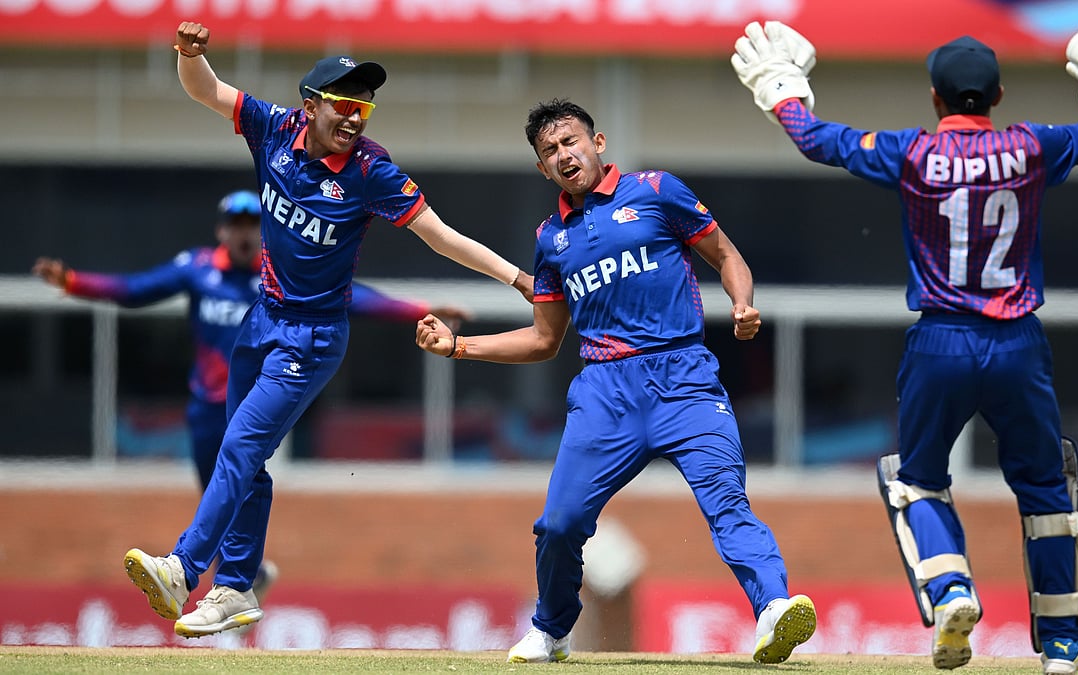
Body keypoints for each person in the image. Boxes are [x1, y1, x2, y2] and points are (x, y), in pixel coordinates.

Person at [730, 17, 1078, 675]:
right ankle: (1061, 647)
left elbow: (816, 141)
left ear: (934, 98)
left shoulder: (911, 152)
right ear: (1000, 95)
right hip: (1018, 343)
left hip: (939, 342)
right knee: (1045, 486)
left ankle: (951, 590)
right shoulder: (1032, 146)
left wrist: (783, 88)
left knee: (918, 480)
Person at [121, 21, 533, 639]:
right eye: (344, 104)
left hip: (310, 339)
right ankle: (234, 589)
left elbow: (441, 236)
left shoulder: (373, 172)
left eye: (364, 106)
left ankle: (183, 568)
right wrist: (187, 54)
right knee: (248, 457)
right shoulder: (275, 128)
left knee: (238, 447)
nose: (356, 116)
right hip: (261, 320)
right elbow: (207, 91)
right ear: (309, 105)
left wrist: (517, 278)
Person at [414, 98, 817, 665]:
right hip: (606, 393)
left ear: (597, 143)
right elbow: (543, 340)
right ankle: (552, 630)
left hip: (686, 382)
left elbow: (726, 254)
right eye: (550, 151)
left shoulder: (657, 191)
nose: (564, 155)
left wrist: (743, 303)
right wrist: (459, 346)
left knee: (728, 503)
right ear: (542, 169)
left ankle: (773, 608)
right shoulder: (551, 239)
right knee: (559, 525)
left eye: (571, 142)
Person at [34, 190, 469, 606]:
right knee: (220, 495)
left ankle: (211, 579)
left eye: (252, 224)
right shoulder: (198, 269)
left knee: (238, 481)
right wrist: (74, 282)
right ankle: (242, 580)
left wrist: (420, 308)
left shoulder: (281, 274)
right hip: (207, 407)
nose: (244, 233)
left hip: (259, 402)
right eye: (235, 224)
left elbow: (356, 298)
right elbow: (135, 290)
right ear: (222, 230)